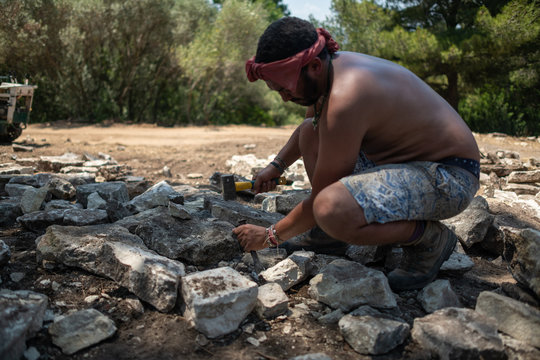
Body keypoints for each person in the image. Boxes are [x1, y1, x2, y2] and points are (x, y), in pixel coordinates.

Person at [232, 17, 480, 291]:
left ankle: (430, 239)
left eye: (284, 88)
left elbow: (320, 199)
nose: (284, 98)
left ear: (313, 66)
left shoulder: (346, 95)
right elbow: (309, 128)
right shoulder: (329, 71)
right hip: (407, 164)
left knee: (330, 208)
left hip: (449, 177)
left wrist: (268, 236)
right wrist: (276, 167)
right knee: (309, 132)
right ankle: (329, 235)